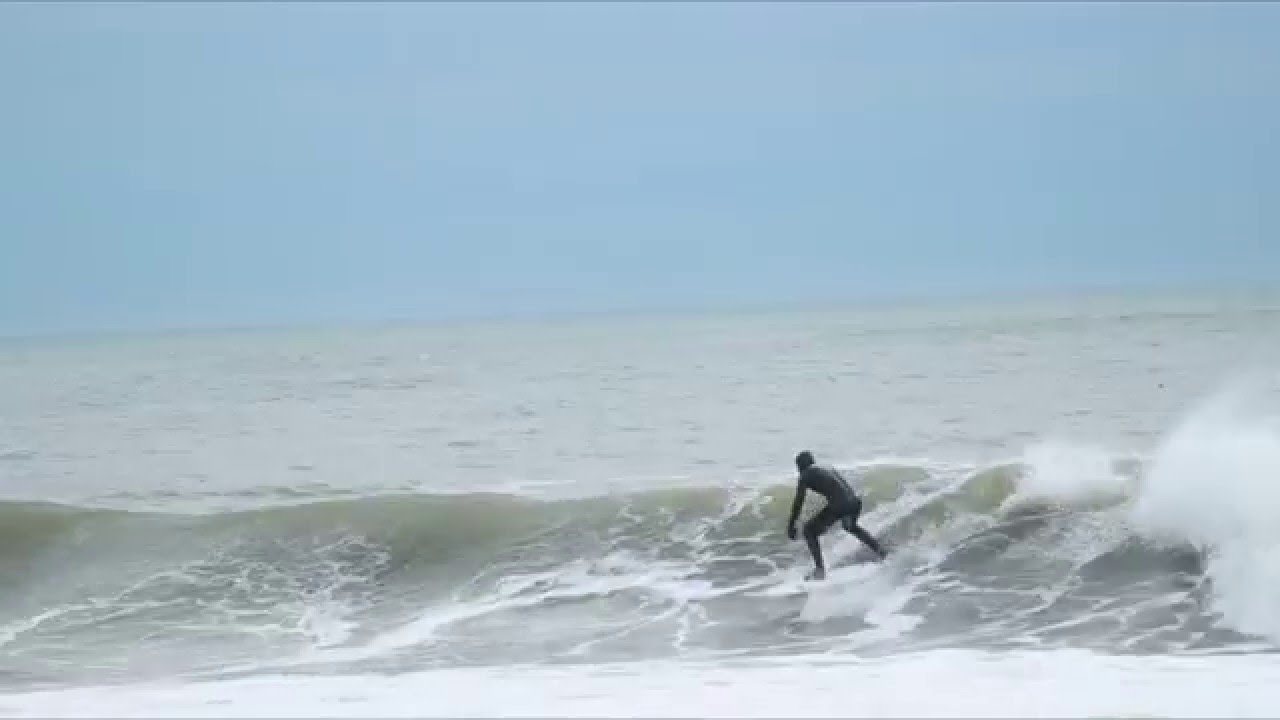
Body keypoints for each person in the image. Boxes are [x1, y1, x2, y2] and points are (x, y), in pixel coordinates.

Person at [785, 450, 887, 580]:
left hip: (840, 505)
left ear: (800, 466)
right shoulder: (826, 467)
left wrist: (791, 525)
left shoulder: (806, 474)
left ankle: (820, 571)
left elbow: (798, 502)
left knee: (809, 531)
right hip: (854, 502)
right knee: (850, 527)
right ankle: (881, 552)